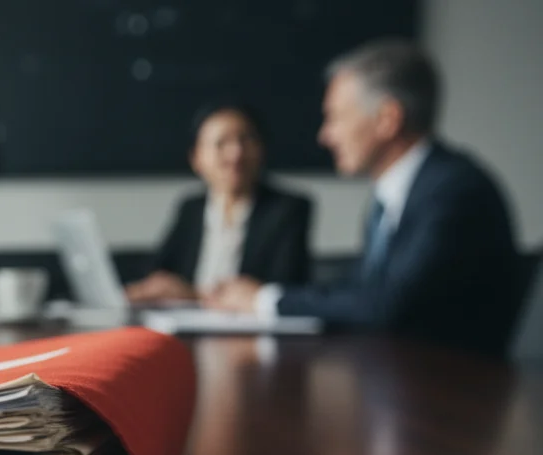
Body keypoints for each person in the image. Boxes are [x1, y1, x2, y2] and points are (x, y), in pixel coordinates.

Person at [209, 41, 524, 357]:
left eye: (335, 118)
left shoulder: (453, 190)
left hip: (457, 391)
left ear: (387, 119)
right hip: (400, 378)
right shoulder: (392, 196)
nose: (325, 135)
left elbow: (386, 304)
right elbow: (361, 291)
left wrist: (266, 299)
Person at [126, 102, 312, 302]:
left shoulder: (287, 209)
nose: (235, 154)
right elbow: (161, 274)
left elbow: (282, 291)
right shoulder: (191, 208)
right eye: (221, 143)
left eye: (246, 140)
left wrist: (194, 295)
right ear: (197, 158)